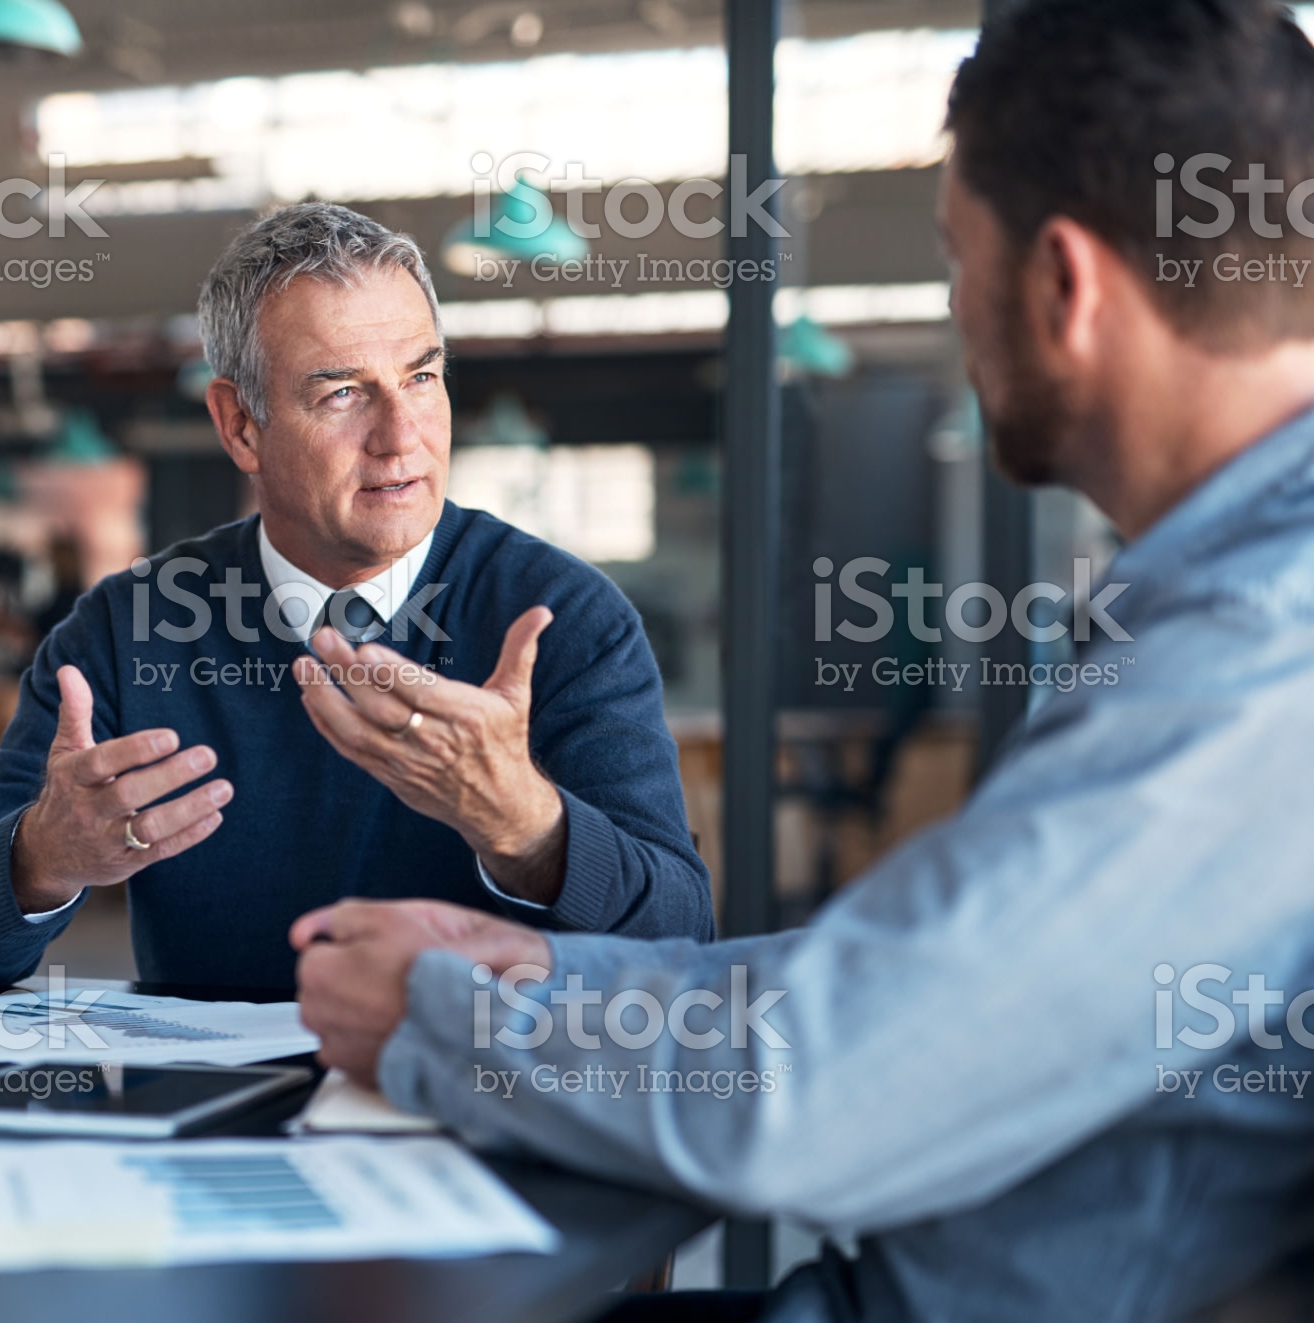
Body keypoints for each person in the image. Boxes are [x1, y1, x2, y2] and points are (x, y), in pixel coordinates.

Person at [291, 2, 1314, 1318]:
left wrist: (445, 1020)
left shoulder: (1259, 639)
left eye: (958, 261)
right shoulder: (1230, 598)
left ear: (1064, 288)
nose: (957, 313)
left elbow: (828, 1085)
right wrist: (547, 974)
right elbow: (914, 985)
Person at [0, 203, 712, 994]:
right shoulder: (126, 629)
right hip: (201, 1086)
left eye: (421, 377)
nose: (402, 437)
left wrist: (528, 827)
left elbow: (681, 943)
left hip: (470, 1078)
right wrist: (42, 855)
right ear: (241, 425)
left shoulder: (563, 618)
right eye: (344, 393)